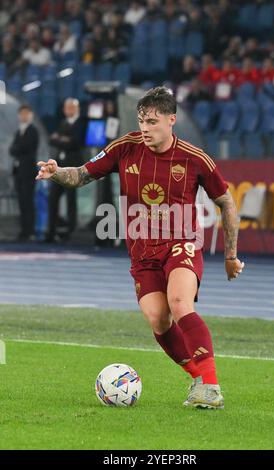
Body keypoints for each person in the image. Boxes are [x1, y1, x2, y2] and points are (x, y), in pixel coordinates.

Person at [36, 87, 244, 409]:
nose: (145, 128)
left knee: (179, 303)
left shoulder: (195, 158)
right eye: (141, 121)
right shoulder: (125, 148)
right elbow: (80, 175)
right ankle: (197, 377)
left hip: (181, 243)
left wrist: (230, 256)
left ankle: (212, 387)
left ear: (171, 120)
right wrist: (56, 173)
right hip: (142, 252)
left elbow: (227, 204)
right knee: (158, 319)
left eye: (152, 121)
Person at [45, 98, 83, 242]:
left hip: (73, 168)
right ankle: (51, 232)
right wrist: (63, 139)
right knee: (53, 198)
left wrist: (60, 139)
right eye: (66, 107)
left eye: (72, 107)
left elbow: (74, 143)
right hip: (59, 168)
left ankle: (71, 232)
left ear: (77, 108)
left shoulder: (81, 123)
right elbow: (52, 140)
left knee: (71, 199)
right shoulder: (63, 123)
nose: (69, 110)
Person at [9, 104, 39, 241]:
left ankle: (30, 231)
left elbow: (24, 147)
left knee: (28, 201)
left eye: (26, 113)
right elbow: (12, 150)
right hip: (18, 172)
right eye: (22, 114)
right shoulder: (18, 132)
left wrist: (17, 148)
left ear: (30, 115)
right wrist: (17, 148)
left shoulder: (33, 131)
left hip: (28, 171)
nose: (24, 116)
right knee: (21, 201)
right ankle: (24, 231)